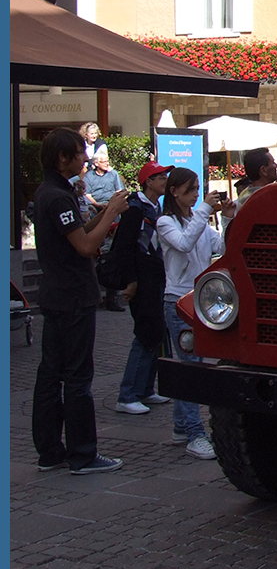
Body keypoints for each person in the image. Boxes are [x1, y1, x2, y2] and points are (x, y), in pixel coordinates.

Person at [32, 127, 129, 474]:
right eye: (78, 153)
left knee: (50, 374)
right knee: (76, 377)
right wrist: (113, 213)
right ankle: (82, 453)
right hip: (72, 296)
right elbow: (86, 247)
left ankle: (49, 451)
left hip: (56, 294)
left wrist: (105, 214)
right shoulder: (58, 198)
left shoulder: (52, 193)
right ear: (62, 158)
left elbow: (79, 235)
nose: (86, 158)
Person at [157, 168, 235, 460]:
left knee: (191, 364)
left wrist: (227, 216)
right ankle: (194, 433)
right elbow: (183, 243)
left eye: (198, 189)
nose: (195, 195)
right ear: (174, 191)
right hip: (176, 298)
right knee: (190, 366)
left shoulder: (196, 219)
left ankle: (181, 427)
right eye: (191, 190)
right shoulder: (165, 222)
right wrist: (204, 210)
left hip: (195, 299)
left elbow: (222, 247)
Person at [113, 161, 174, 415]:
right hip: (142, 277)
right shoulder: (135, 209)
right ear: (148, 181)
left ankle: (146, 389)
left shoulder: (154, 206)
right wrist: (131, 280)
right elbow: (124, 247)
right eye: (160, 177)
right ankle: (128, 394)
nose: (165, 181)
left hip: (154, 275)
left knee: (156, 331)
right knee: (146, 331)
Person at [83, 151, 127, 311]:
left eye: (108, 160)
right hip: (96, 209)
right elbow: (87, 195)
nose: (107, 164)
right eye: (104, 161)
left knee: (111, 254)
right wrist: (99, 206)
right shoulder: (89, 176)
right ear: (96, 164)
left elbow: (120, 191)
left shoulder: (113, 174)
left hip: (112, 210)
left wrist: (112, 207)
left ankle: (112, 299)